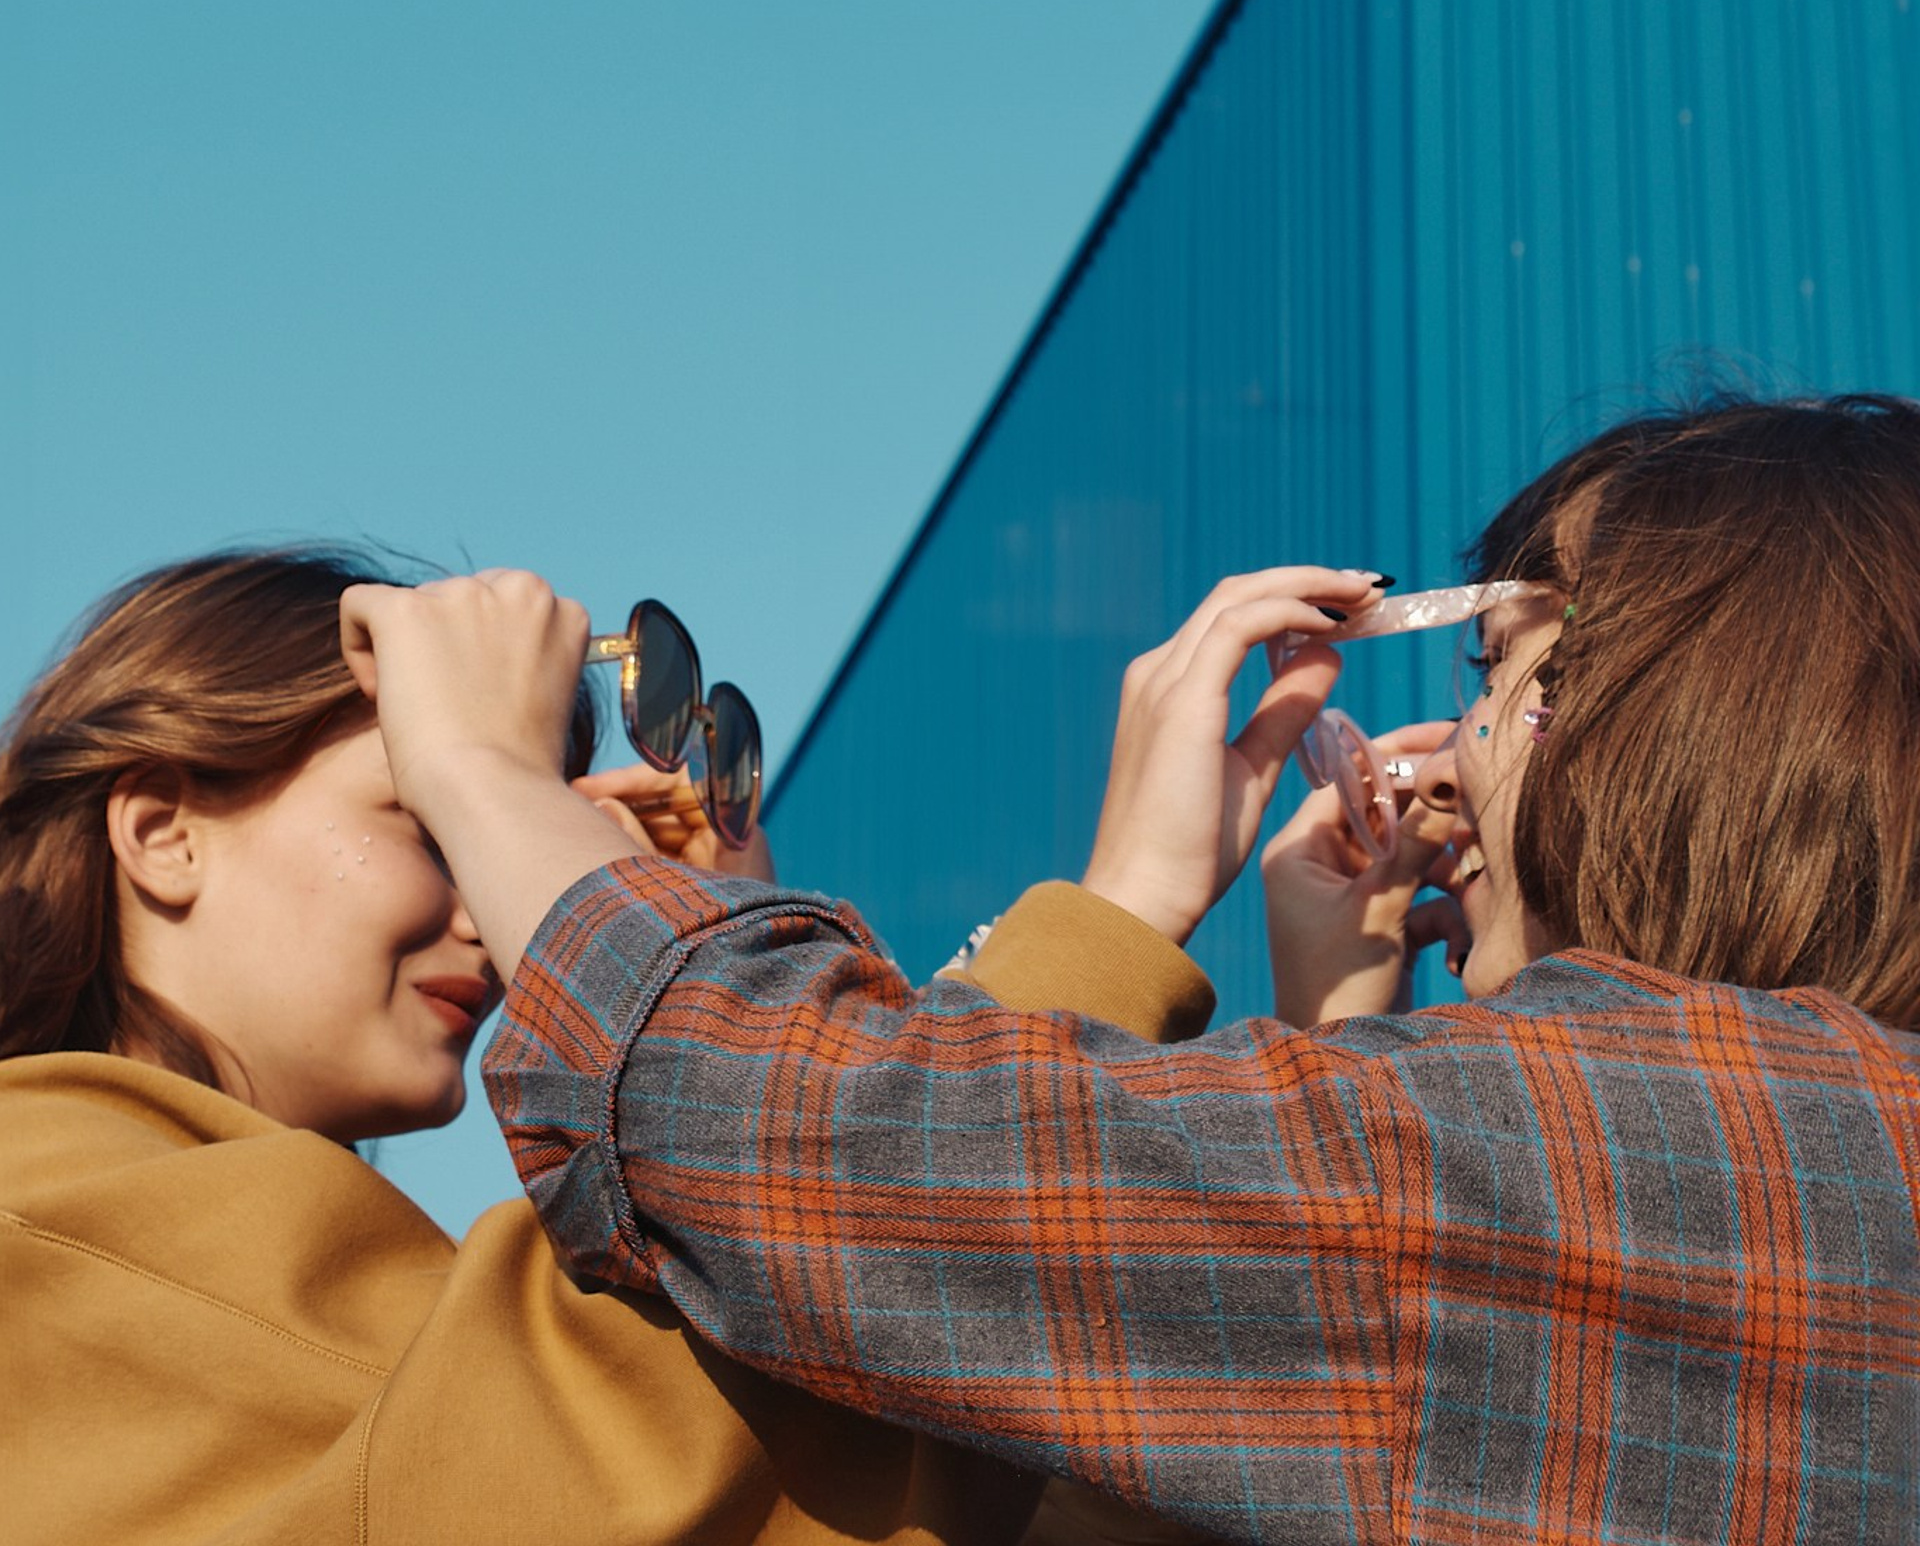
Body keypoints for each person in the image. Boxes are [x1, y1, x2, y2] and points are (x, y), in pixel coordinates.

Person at [336, 397, 1917, 1545]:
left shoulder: (1532, 1166)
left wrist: (485, 775)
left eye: (1492, 670)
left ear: (1669, 716)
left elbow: (760, 1123)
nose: (1441, 772)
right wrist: (1340, 1017)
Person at [0, 544, 1236, 1546]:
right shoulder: (38, 1200)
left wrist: (717, 997)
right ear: (164, 832)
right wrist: (717, 1037)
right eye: (432, 823)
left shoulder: (195, 1248)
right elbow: (608, 1486)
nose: (490, 916)